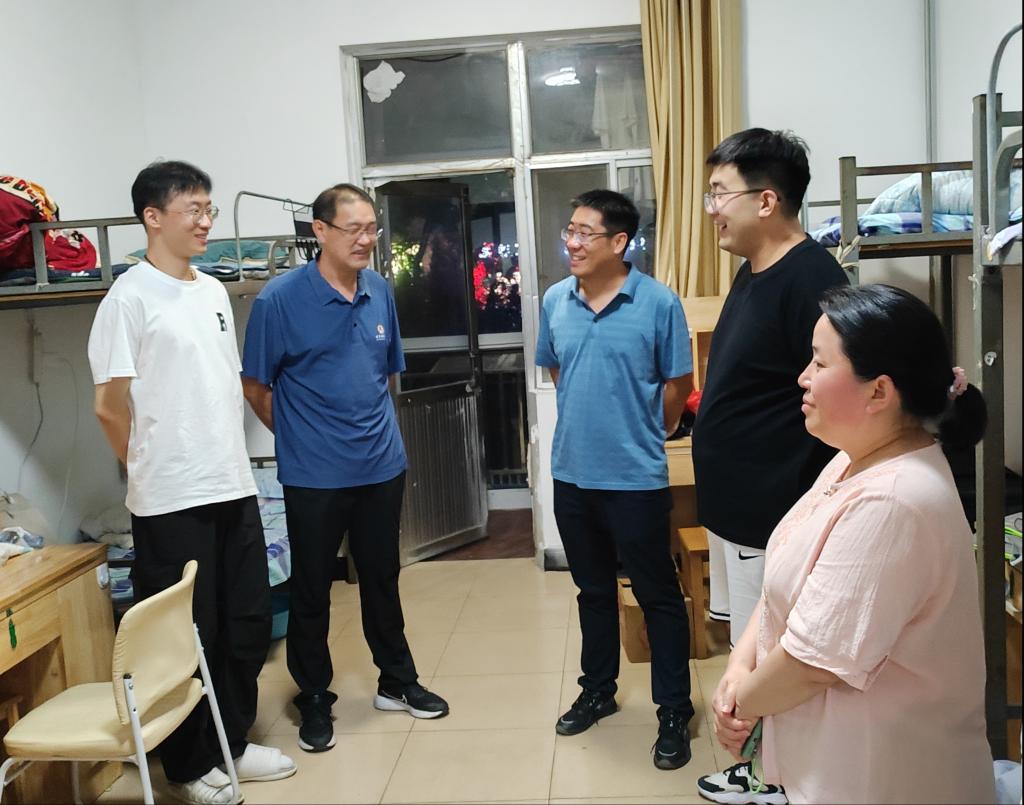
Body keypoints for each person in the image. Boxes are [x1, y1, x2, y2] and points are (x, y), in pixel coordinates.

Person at [698, 284, 996, 805]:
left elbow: (811, 663)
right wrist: (738, 669)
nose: (802, 377)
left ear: (878, 392)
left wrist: (738, 705)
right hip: (832, 763)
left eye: (819, 363)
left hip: (889, 780)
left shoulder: (893, 501)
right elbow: (781, 582)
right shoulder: (851, 460)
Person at [88, 161, 295, 805]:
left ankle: (231, 743)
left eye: (209, 209)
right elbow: (108, 407)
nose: (207, 222)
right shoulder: (128, 299)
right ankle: (187, 765)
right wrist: (145, 468)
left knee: (245, 622)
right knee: (184, 636)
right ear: (153, 217)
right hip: (171, 499)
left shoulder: (211, 292)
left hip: (232, 483)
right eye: (194, 210)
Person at [240, 183, 449, 755]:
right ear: (320, 231)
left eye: (372, 228)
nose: (366, 239)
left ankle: (397, 681)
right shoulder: (279, 301)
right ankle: (313, 696)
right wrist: (302, 438)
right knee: (312, 589)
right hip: (313, 475)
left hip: (381, 466)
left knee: (383, 578)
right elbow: (256, 386)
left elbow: (385, 374)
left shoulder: (378, 290)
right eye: (353, 228)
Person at [535, 189, 696, 770]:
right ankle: (597, 690)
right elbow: (559, 370)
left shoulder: (658, 302)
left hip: (636, 479)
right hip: (573, 476)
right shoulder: (555, 300)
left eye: (585, 233)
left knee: (657, 595)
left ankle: (674, 710)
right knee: (594, 592)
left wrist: (644, 430)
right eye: (569, 231)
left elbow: (677, 386)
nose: (572, 243)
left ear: (620, 242)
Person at [692, 128, 849, 649]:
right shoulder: (753, 271)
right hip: (735, 508)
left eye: (720, 194)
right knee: (744, 646)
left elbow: (838, 400)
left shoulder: (812, 282)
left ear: (766, 201)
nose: (712, 209)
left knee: (764, 655)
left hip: (770, 513)